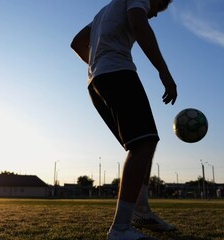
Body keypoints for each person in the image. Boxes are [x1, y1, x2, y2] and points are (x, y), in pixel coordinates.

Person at [71, 0, 177, 239]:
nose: (155, 14)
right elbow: (139, 25)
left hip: (97, 81)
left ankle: (140, 209)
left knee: (144, 142)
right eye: (158, 7)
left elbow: (77, 43)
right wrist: (164, 71)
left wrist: (97, 62)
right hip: (118, 72)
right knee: (143, 143)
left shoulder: (104, 12)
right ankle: (120, 228)